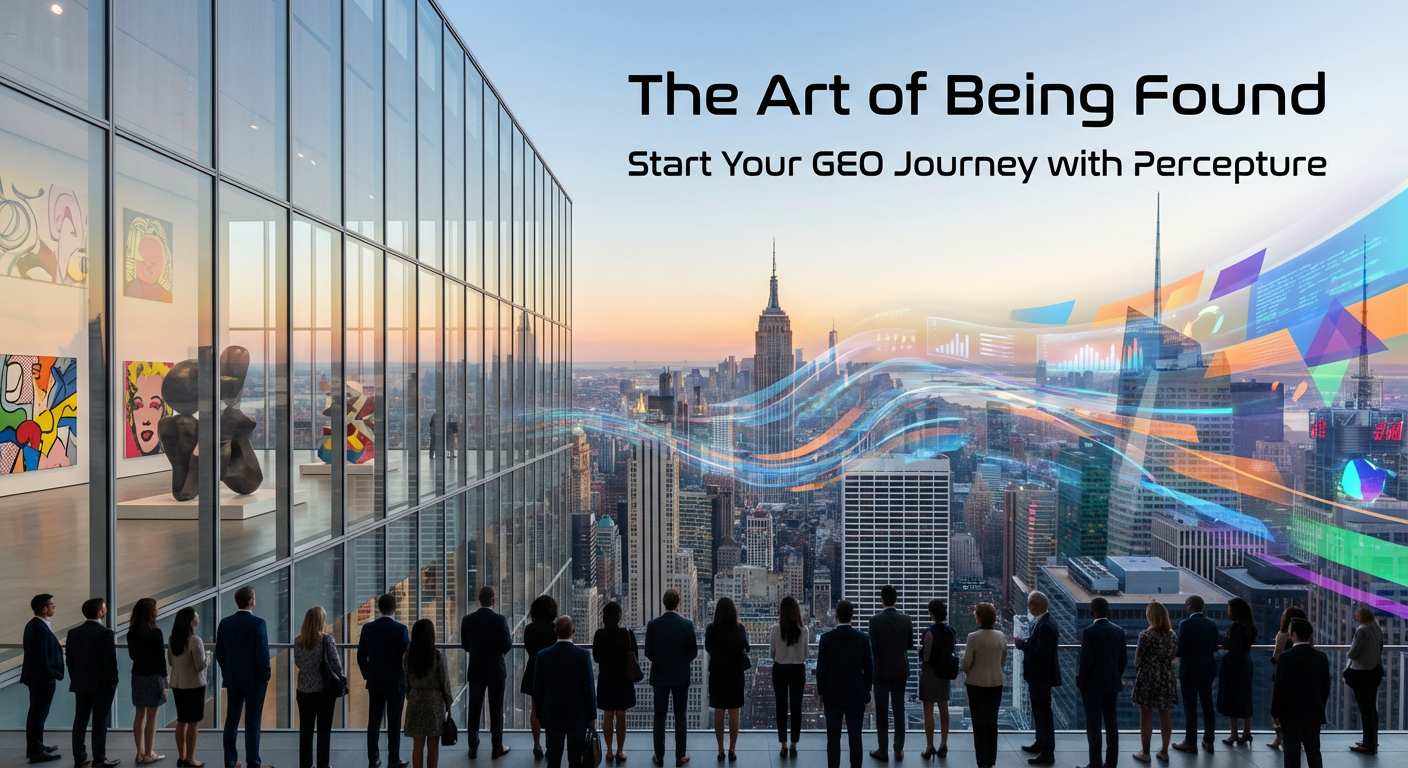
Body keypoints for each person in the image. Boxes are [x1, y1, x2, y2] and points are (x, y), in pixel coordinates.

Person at [215, 585, 273, 768]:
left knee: (231, 720)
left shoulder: (225, 623)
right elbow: (262, 654)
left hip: (233, 679)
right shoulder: (258, 623)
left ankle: (230, 763)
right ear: (252, 601)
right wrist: (266, 675)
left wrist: (228, 671)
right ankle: (253, 763)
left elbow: (220, 653)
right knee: (252, 723)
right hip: (255, 680)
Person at [532, 616, 598, 768]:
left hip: (552, 714)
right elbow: (588, 688)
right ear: (572, 631)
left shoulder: (543, 656)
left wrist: (540, 715)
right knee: (575, 760)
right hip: (577, 715)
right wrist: (592, 716)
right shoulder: (582, 656)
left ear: (556, 632)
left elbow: (538, 688)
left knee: (553, 759)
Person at [644, 588, 698, 768]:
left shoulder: (653, 625)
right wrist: (681, 662)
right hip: (680, 676)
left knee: (659, 716)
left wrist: (660, 661)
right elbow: (693, 652)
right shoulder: (687, 624)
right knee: (680, 715)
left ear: (663, 603)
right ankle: (680, 756)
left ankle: (659, 756)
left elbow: (649, 653)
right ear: (678, 603)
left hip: (660, 675)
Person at [816, 600, 873, 768]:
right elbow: (869, 668)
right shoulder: (863, 638)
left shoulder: (826, 639)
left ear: (836, 616)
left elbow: (821, 669)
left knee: (833, 737)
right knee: (855, 736)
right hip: (855, 693)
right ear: (852, 616)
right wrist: (866, 690)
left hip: (832, 694)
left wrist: (821, 692)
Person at [459, 586, 512, 760]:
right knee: (496, 710)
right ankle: (497, 747)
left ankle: (472, 747)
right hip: (496, 669)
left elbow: (466, 645)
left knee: (474, 710)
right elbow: (507, 645)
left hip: (476, 669)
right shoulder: (500, 620)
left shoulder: (468, 620)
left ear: (479, 599)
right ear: (493, 600)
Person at [359, 593, 411, 768]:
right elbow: (406, 657)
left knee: (373, 720)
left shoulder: (368, 628)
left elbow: (361, 656)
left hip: (375, 681)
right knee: (394, 722)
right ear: (394, 608)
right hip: (396, 682)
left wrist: (368, 674)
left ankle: (373, 759)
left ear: (379, 608)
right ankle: (393, 759)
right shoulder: (401, 629)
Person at [1270, 618, 1330, 768]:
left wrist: (1275, 712)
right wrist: (1320, 705)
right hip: (1314, 711)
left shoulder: (1286, 657)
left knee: (1291, 753)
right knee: (1314, 751)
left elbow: (1280, 687)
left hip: (1291, 713)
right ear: (1310, 635)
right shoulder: (1321, 657)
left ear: (1293, 634)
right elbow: (1325, 687)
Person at [68, 597, 120, 768]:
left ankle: (80, 757)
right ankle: (99, 758)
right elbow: (110, 662)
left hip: (81, 682)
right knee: (100, 722)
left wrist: (75, 677)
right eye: (104, 608)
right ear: (100, 612)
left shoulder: (74, 633)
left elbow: (70, 660)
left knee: (80, 720)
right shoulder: (105, 633)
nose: (106, 610)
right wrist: (113, 681)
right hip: (102, 685)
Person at [1077, 597, 1127, 768]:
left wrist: (1081, 680)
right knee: (1112, 723)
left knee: (1094, 725)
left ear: (1093, 610)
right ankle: (1111, 763)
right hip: (1112, 683)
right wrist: (1115, 675)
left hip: (1092, 686)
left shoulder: (1089, 632)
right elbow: (1123, 660)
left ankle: (1095, 764)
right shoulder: (1119, 631)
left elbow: (1086, 662)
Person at [867, 585, 914, 762]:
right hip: (900, 670)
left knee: (881, 711)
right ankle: (898, 749)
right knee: (898, 709)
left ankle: (883, 750)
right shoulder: (906, 619)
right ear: (896, 599)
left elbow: (873, 647)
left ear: (882, 600)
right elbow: (909, 645)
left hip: (880, 670)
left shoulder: (874, 621)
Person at [294, 606, 345, 768]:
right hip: (324, 691)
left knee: (306, 730)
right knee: (324, 731)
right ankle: (323, 765)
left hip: (304, 690)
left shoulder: (298, 640)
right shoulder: (326, 639)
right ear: (321, 621)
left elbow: (298, 663)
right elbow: (336, 665)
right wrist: (341, 678)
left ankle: (306, 765)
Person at [1014, 591, 1060, 765]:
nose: (1028, 607)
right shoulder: (1046, 621)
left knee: (1043, 714)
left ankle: (1047, 752)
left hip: (1041, 677)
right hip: (1040, 677)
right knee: (1039, 713)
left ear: (1038, 605)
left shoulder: (1045, 625)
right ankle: (1040, 743)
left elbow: (1041, 653)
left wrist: (1023, 646)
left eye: (1031, 604)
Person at [960, 602, 1005, 768]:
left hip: (976, 685)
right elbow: (1003, 662)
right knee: (992, 724)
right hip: (996, 683)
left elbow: (966, 664)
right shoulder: (1001, 636)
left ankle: (981, 761)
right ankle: (991, 760)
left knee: (979, 725)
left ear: (978, 618)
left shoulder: (973, 637)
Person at [1131, 601, 1177, 763]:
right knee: (1164, 713)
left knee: (1145, 715)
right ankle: (1164, 751)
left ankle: (1145, 752)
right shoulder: (1172, 635)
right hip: (1166, 676)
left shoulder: (1145, 635)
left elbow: (1138, 659)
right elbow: (1172, 656)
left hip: (1148, 677)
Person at [593, 601, 638, 764]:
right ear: (619, 617)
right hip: (623, 680)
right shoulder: (627, 634)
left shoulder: (599, 634)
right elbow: (635, 658)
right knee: (621, 716)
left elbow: (597, 658)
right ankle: (620, 750)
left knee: (607, 715)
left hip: (606, 679)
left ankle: (609, 751)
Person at [705, 597, 750, 761]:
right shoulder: (739, 629)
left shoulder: (711, 629)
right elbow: (747, 647)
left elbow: (708, 648)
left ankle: (720, 749)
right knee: (734, 713)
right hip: (735, 675)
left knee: (718, 711)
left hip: (717, 674)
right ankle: (732, 748)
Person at [403, 619, 452, 768]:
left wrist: (410, 695)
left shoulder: (408, 655)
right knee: (433, 745)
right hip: (434, 703)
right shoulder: (437, 656)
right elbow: (445, 682)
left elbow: (406, 680)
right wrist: (448, 703)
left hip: (416, 701)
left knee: (417, 745)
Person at [1172, 594, 1218, 754]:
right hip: (1207, 670)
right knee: (1207, 705)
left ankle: (1191, 742)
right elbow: (1214, 646)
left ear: (1190, 605)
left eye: (1187, 605)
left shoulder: (1185, 624)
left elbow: (1181, 649)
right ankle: (1209, 740)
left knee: (1190, 706)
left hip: (1189, 670)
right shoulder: (1212, 623)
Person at [22, 593, 63, 764]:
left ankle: (35, 746)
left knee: (35, 713)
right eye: (52, 605)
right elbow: (41, 657)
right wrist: (49, 677)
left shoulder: (34, 625)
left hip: (37, 679)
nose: (54, 607)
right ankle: (36, 751)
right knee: (38, 715)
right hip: (42, 680)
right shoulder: (39, 628)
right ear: (44, 608)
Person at [167, 607, 209, 768]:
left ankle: (181, 757)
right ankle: (190, 759)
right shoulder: (195, 640)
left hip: (178, 684)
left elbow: (171, 661)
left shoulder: (173, 639)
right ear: (191, 621)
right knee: (193, 723)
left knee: (182, 720)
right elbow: (199, 665)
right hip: (194, 685)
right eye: (195, 615)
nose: (197, 616)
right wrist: (208, 660)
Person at [768, 596, 809, 759]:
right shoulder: (803, 630)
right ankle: (794, 744)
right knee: (796, 707)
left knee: (781, 707)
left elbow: (772, 653)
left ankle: (783, 744)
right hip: (798, 670)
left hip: (780, 670)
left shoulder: (775, 629)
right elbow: (805, 655)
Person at [128, 598, 167, 765]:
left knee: (139, 715)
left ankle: (139, 752)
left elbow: (132, 656)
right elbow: (160, 657)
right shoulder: (155, 632)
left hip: (137, 675)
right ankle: (149, 753)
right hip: (153, 676)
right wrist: (165, 676)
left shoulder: (132, 633)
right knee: (152, 716)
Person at [523, 595, 561, 761]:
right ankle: (551, 745)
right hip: (552, 672)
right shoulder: (555, 630)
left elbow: (529, 649)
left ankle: (537, 745)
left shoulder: (529, 629)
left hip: (534, 669)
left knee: (535, 709)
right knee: (553, 709)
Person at [918, 599, 956, 761]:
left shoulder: (929, 632)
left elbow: (926, 656)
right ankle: (943, 744)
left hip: (930, 674)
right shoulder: (951, 630)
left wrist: (920, 653)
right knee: (943, 708)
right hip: (945, 673)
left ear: (931, 613)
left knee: (928, 710)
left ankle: (929, 746)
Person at [1344, 606, 1384, 755]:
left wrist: (1350, 654)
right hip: (1375, 670)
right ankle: (1372, 740)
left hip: (1362, 673)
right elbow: (1381, 647)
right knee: (1371, 708)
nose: (1355, 616)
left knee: (1365, 709)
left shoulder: (1361, 631)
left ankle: (1368, 745)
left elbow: (1353, 652)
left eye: (1357, 614)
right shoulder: (1376, 628)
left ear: (1361, 616)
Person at [1217, 597, 1256, 746]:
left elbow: (1233, 647)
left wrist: (1223, 643)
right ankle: (1246, 734)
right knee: (1245, 699)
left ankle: (1234, 735)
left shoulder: (1236, 626)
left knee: (1232, 699)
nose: (1228, 612)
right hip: (1246, 664)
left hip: (1235, 666)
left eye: (1229, 609)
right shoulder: (1250, 625)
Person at [1267, 606, 1306, 750]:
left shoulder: (1283, 635)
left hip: (1283, 674)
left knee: (1278, 706)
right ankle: (1299, 739)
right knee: (1298, 707)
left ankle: (1279, 737)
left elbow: (1276, 656)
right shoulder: (1306, 635)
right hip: (1300, 675)